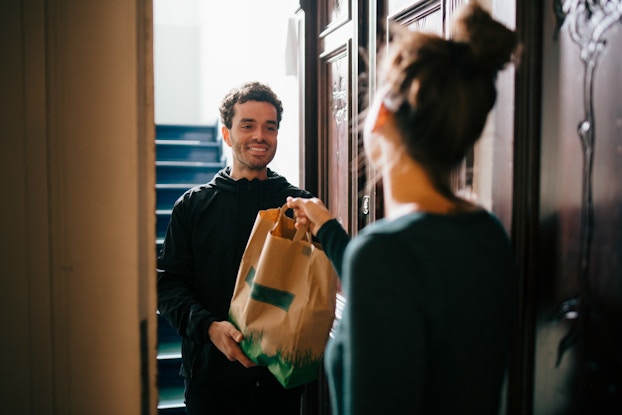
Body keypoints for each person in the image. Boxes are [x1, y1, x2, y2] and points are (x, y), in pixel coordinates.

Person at [286, 2, 521, 414]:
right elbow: (407, 291)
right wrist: (327, 229)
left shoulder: (384, 253)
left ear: (379, 115)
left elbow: (393, 275)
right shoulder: (487, 232)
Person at [157, 81, 312, 414]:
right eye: (248, 125)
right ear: (227, 135)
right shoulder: (192, 207)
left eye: (269, 127)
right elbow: (167, 284)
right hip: (211, 380)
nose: (260, 135)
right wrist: (209, 328)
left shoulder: (300, 206)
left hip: (280, 381)